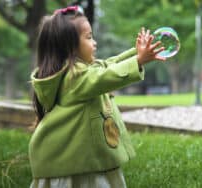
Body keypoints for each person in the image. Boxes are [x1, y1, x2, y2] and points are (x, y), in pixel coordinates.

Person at [29, 5, 165, 188]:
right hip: (75, 167)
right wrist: (138, 60)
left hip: (83, 161)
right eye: (89, 37)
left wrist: (136, 53)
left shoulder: (79, 71)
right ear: (70, 46)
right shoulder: (74, 78)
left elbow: (108, 65)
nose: (95, 43)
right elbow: (106, 76)